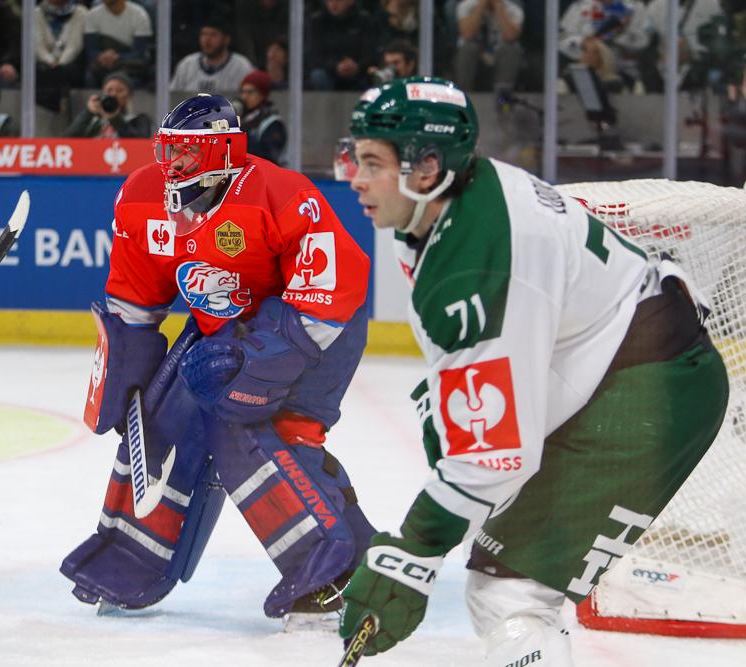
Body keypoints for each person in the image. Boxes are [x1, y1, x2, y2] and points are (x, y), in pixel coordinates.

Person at [337, 77, 728, 665]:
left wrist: (415, 550)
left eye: (372, 163)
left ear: (428, 167)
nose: (354, 178)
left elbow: (498, 454)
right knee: (490, 536)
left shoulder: (476, 261)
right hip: (624, 361)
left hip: (650, 386)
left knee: (509, 592)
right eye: (354, 157)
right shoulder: (444, 211)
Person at [60, 94, 377, 625]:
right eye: (169, 150)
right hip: (224, 330)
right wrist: (126, 376)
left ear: (225, 152)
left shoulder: (280, 194)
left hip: (316, 329)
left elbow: (331, 289)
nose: (173, 163)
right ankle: (133, 556)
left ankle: (333, 571)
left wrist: (260, 364)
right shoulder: (141, 197)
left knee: (262, 432)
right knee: (164, 417)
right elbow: (134, 298)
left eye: (188, 151)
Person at [454, 0, 525, 92]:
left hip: (500, 57)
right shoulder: (466, 6)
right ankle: (463, 95)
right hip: (475, 58)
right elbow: (467, 34)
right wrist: (481, 5)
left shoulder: (514, 10)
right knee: (467, 48)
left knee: (512, 48)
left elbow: (510, 36)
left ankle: (503, 95)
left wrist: (498, 7)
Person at [306, 0, 376, 90]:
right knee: (318, 75)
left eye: (338, 0)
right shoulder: (317, 21)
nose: (333, 4)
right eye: (329, 1)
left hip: (358, 71)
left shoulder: (364, 20)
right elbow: (314, 56)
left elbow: (370, 52)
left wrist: (357, 66)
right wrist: (336, 66)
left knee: (373, 73)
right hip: (329, 71)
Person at [169, 20, 254, 94]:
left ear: (226, 39)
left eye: (214, 34)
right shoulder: (187, 65)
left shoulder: (242, 66)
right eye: (203, 34)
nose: (207, 40)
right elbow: (171, 97)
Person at [83, 0, 153, 89]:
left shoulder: (139, 14)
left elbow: (140, 53)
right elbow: (91, 51)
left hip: (129, 64)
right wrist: (102, 57)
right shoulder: (92, 15)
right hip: (103, 65)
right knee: (90, 77)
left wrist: (117, 57)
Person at [35, 0, 88, 111]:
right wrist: (50, 61)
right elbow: (37, 46)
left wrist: (60, 63)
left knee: (64, 72)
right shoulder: (36, 13)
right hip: (44, 64)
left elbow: (75, 45)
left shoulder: (81, 13)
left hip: (70, 63)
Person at [65, 70, 151, 138]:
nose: (113, 94)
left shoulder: (139, 120)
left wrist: (115, 118)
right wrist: (88, 112)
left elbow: (140, 143)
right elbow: (67, 140)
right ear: (103, 93)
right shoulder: (94, 121)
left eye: (120, 90)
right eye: (109, 90)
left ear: (128, 96)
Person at [238, 69, 286, 164]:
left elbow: (269, 156)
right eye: (242, 92)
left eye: (250, 92)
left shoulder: (273, 123)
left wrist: (242, 131)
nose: (244, 97)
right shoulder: (244, 118)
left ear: (262, 95)